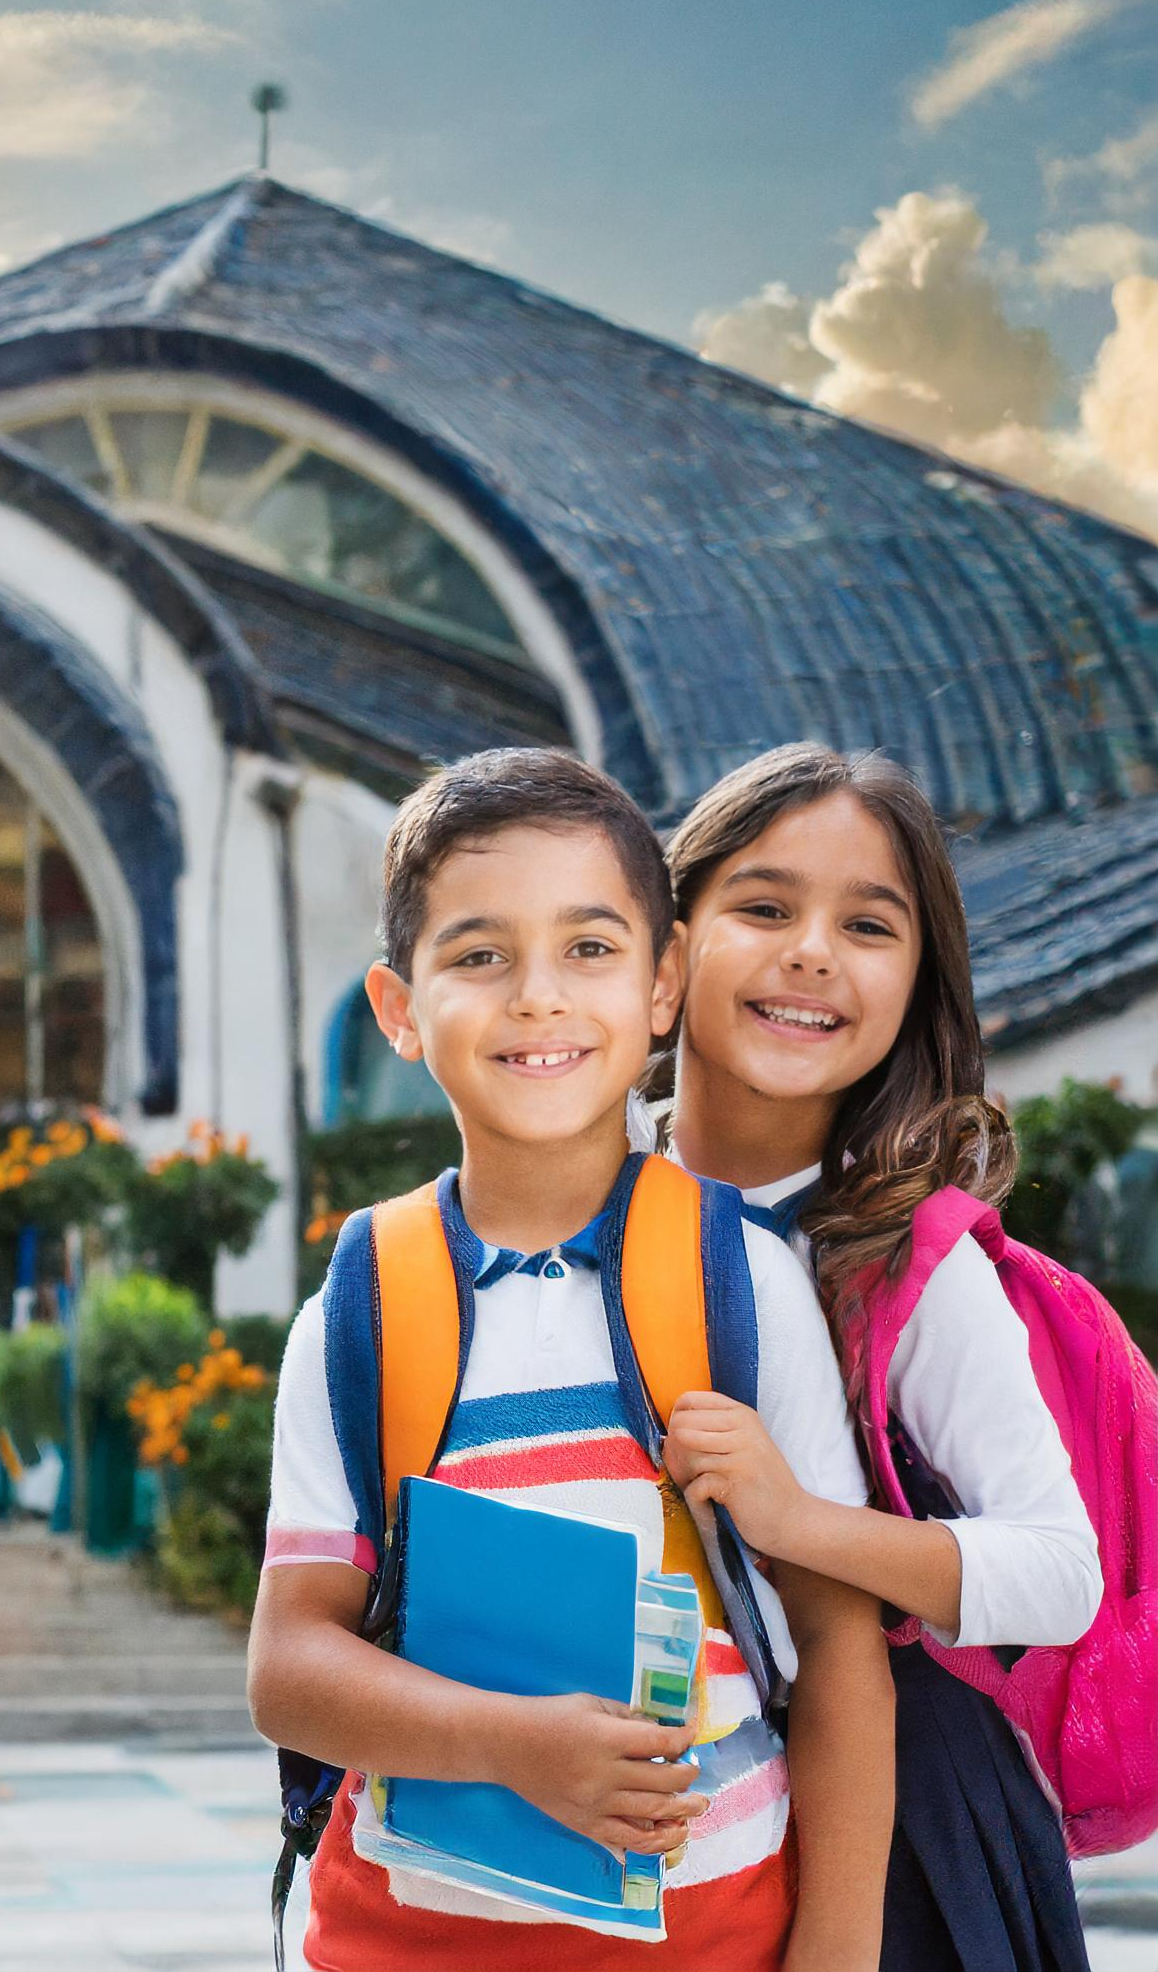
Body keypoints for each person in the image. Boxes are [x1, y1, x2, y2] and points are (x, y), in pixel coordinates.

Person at [249, 747, 891, 1972]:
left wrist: (837, 1951)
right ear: (398, 1008)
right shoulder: (363, 1303)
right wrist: (515, 1742)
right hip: (401, 1942)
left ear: (662, 984)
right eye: (479, 954)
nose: (537, 995)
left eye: (588, 948)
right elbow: (288, 1665)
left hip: (714, 1938)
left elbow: (840, 1649)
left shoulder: (736, 1280)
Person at [660, 742, 1103, 1972]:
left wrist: (795, 1518)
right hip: (652, 1785)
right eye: (761, 905)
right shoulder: (589, 1203)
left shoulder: (905, 1254)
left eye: (866, 924)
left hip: (902, 1826)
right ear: (664, 941)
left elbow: (1059, 1568)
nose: (808, 950)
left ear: (916, 985)